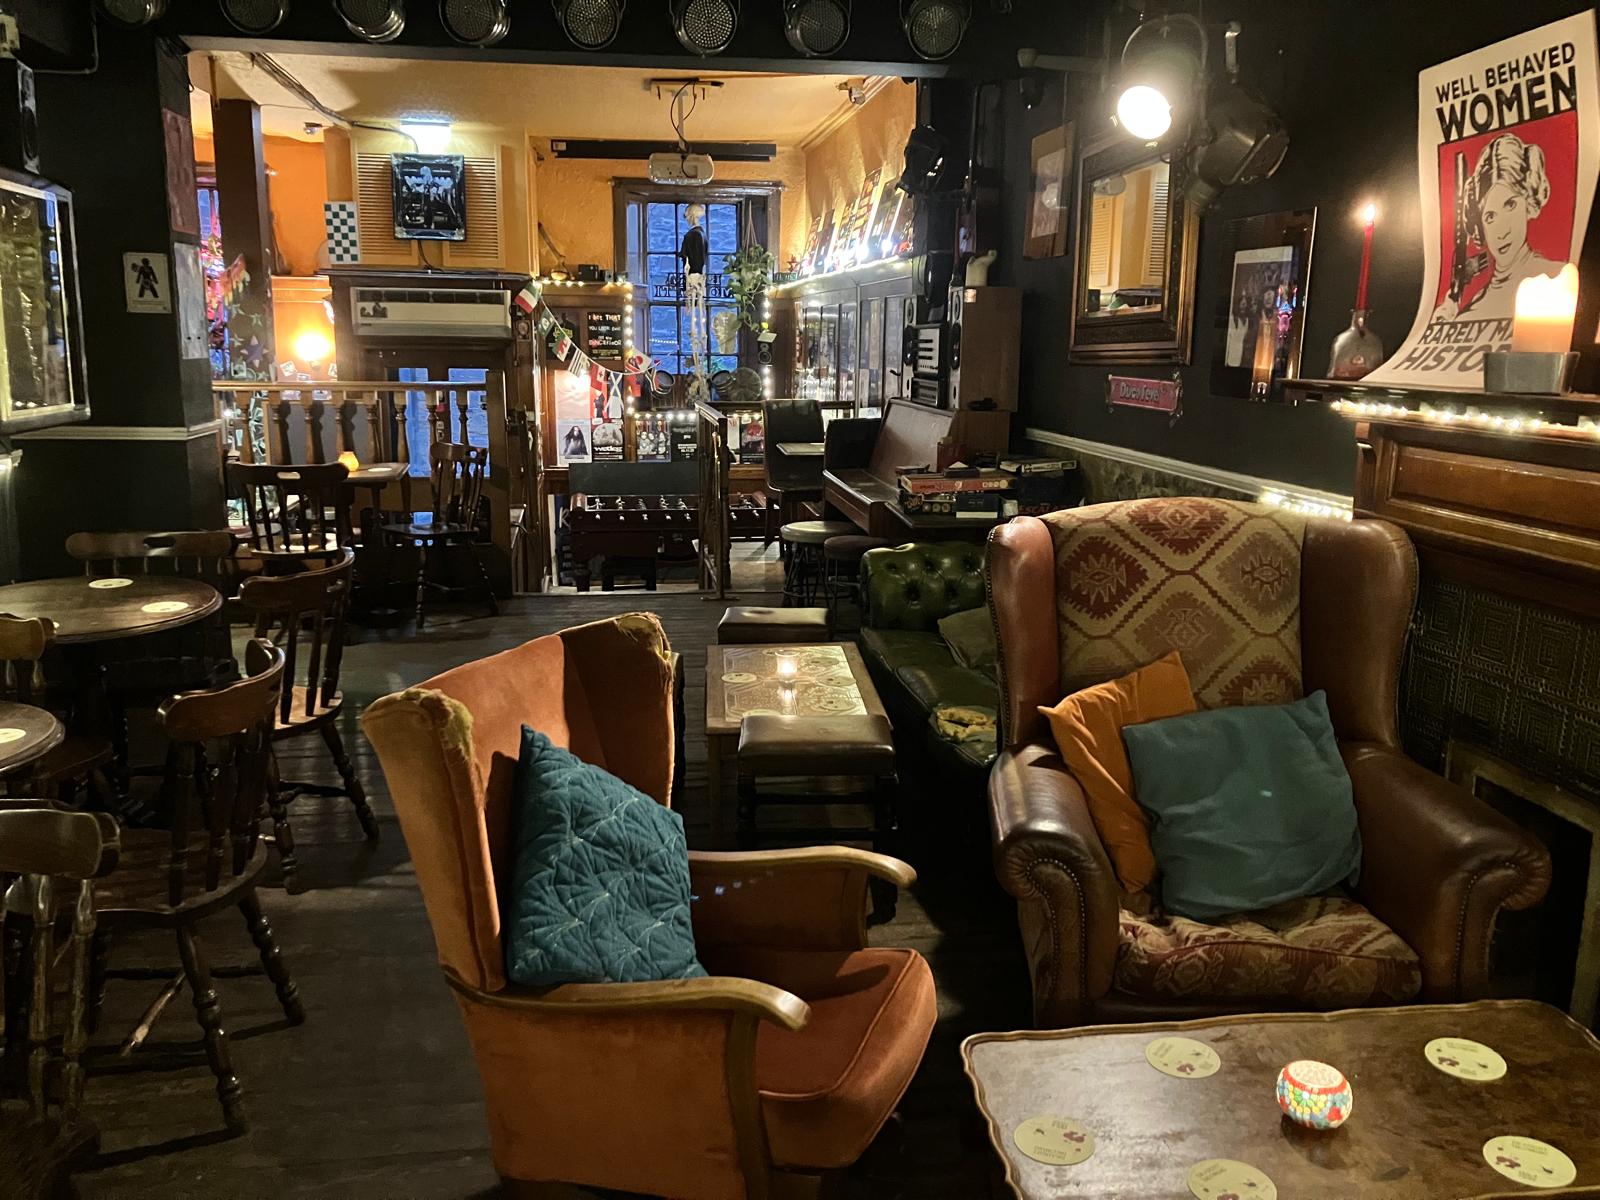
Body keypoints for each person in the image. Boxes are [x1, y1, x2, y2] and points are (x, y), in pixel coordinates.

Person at [1438, 133, 1565, 321]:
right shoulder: (1471, 312)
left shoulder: (1559, 282)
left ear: (1528, 201)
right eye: (1490, 217)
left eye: (1510, 205)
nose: (1503, 231)